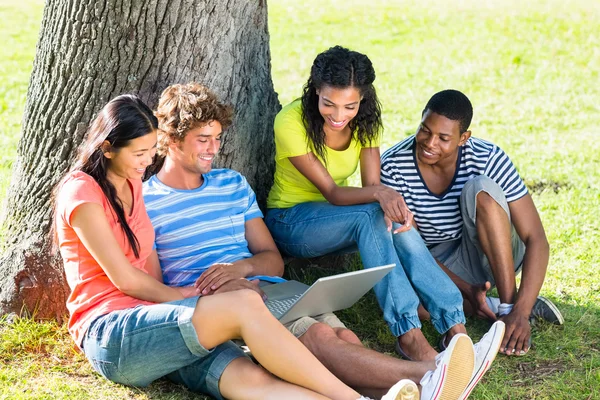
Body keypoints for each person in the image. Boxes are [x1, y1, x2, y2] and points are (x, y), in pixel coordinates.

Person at [143, 82, 505, 399]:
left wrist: (243, 267)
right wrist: (221, 287)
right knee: (318, 338)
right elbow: (153, 287)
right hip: (224, 305)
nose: (213, 149)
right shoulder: (146, 203)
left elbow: (272, 259)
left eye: (217, 138)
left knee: (344, 342)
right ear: (170, 139)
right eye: (202, 140)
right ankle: (431, 372)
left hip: (275, 287)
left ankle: (411, 387)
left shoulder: (232, 184)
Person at [52, 93, 426, 400]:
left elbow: (149, 272)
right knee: (293, 326)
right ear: (110, 148)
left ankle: (385, 394)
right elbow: (127, 280)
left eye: (149, 152)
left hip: (176, 316)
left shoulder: (137, 185)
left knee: (254, 377)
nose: (147, 162)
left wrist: (227, 283)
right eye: (140, 154)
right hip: (121, 325)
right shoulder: (87, 191)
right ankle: (411, 380)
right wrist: (199, 296)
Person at [263, 45, 467, 362]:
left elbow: (372, 186)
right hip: (291, 222)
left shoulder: (367, 120)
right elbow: (332, 191)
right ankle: (409, 334)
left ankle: (455, 325)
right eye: (329, 103)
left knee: (384, 215)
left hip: (343, 219)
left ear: (363, 99)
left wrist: (385, 198)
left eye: (350, 106)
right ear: (316, 89)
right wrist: (382, 195)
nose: (339, 116)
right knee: (374, 210)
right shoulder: (290, 122)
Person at [380, 89, 564, 357]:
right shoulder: (395, 165)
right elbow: (412, 252)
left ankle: (510, 308)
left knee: (482, 190)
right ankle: (488, 302)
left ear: (463, 138)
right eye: (425, 130)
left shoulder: (488, 157)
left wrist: (519, 314)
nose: (430, 143)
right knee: (413, 305)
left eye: (444, 138)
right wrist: (465, 288)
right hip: (439, 261)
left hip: (496, 252)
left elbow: (536, 238)